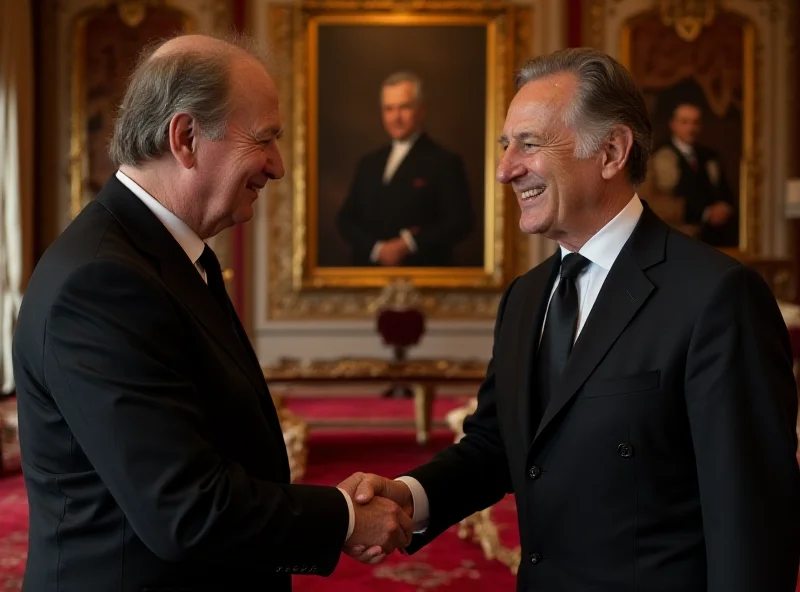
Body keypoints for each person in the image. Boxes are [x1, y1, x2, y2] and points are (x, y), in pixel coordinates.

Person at [344, 48, 800, 590]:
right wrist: (408, 496)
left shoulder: (718, 296)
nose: (505, 169)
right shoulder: (525, 298)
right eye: (505, 145)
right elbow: (497, 447)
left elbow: (752, 524)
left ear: (610, 151)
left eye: (529, 144)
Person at [11, 33, 411, 592]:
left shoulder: (159, 256)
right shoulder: (103, 282)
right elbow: (184, 510)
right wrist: (344, 517)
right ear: (186, 138)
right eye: (265, 139)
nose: (278, 166)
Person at [336, 71, 474, 267]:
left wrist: (408, 244)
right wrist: (377, 249)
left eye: (404, 107)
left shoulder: (444, 161)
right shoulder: (368, 163)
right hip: (366, 276)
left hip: (423, 275)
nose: (396, 117)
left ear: (421, 110)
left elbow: (460, 222)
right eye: (389, 109)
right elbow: (345, 220)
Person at [651, 102, 737, 246]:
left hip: (712, 237)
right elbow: (667, 199)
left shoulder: (710, 156)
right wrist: (705, 212)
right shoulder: (662, 156)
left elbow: (724, 190)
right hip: (679, 235)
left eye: (695, 123)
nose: (690, 128)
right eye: (684, 122)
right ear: (673, 124)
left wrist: (724, 207)